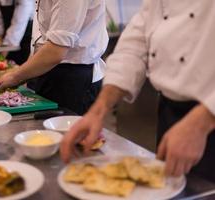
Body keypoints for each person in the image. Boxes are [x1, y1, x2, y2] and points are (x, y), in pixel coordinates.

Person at [60, 0, 215, 182]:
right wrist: (98, 111)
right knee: (172, 188)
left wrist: (199, 124)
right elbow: (135, 45)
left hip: (207, 117)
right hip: (170, 114)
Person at [0, 0, 108, 115]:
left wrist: (16, 76)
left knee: (64, 132)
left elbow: (56, 50)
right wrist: (28, 72)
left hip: (72, 80)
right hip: (49, 69)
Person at [0, 0, 34, 65]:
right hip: (6, 43)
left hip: (24, 43)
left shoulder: (25, 3)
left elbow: (18, 25)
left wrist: (0, 58)